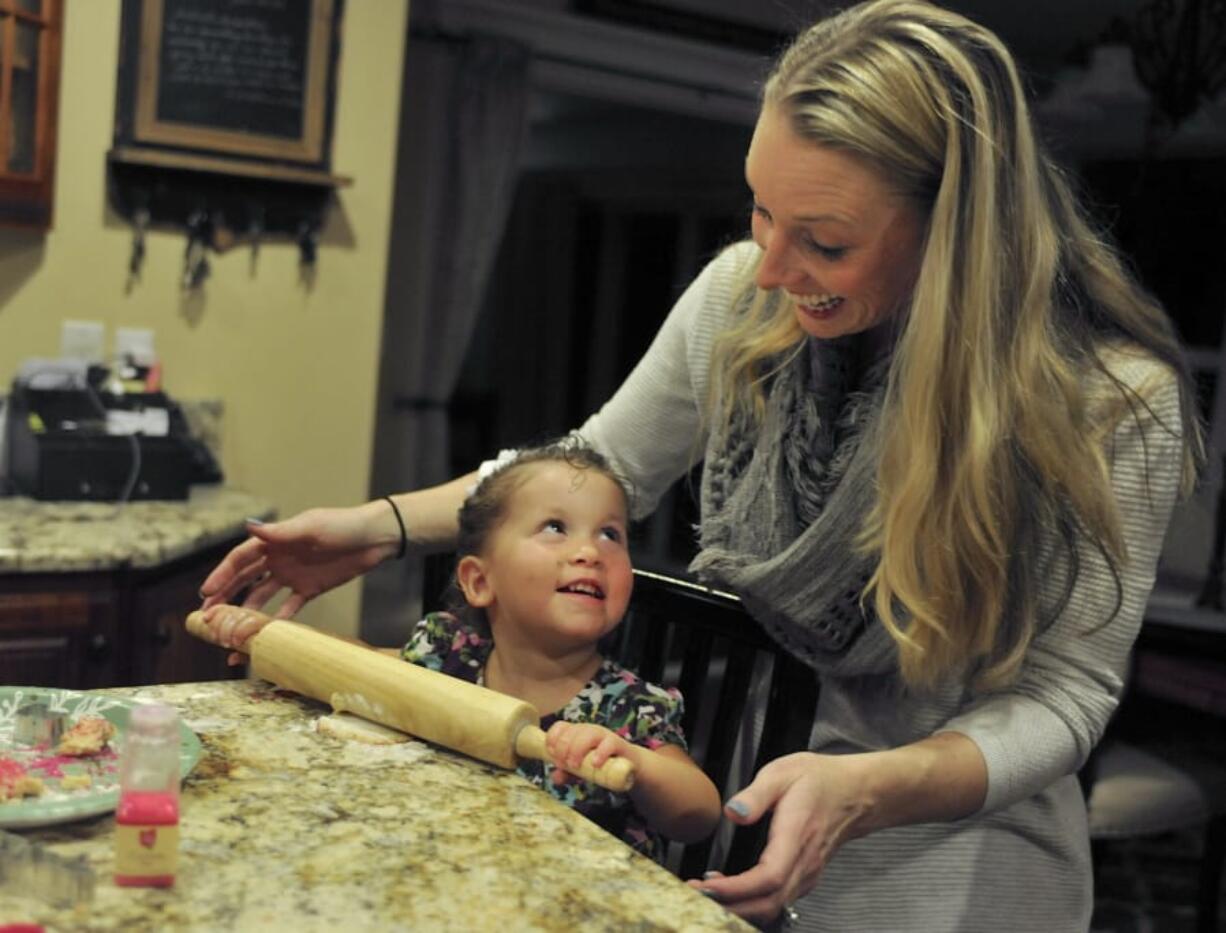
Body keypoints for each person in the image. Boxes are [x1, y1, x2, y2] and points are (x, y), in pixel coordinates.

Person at [200, 1, 1204, 929]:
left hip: (952, 866)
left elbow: (1063, 699)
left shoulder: (1108, 403)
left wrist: (866, 785)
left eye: (821, 241)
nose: (768, 267)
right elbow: (594, 464)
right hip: (748, 812)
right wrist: (376, 528)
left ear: (954, 235)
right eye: (758, 212)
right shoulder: (747, 297)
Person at [195, 440, 722, 863]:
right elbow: (359, 670)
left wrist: (634, 762)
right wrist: (266, 634)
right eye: (555, 528)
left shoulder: (628, 708)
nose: (589, 551)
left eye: (611, 534)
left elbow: (697, 814)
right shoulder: (450, 654)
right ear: (478, 580)